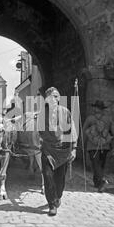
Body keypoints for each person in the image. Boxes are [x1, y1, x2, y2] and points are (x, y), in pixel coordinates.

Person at [38, 87, 78, 216]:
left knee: (59, 179)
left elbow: (71, 131)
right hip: (48, 150)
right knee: (48, 176)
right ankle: (52, 204)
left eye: (56, 96)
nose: (53, 99)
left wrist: (74, 149)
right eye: (50, 97)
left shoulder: (65, 112)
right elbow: (39, 133)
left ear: (59, 98)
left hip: (62, 151)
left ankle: (58, 196)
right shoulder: (42, 114)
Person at [83, 100, 114, 193]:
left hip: (92, 146)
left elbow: (84, 132)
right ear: (102, 109)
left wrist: (82, 144)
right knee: (100, 165)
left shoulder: (90, 119)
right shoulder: (108, 119)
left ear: (95, 108)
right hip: (104, 146)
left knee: (95, 164)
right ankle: (97, 182)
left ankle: (100, 182)